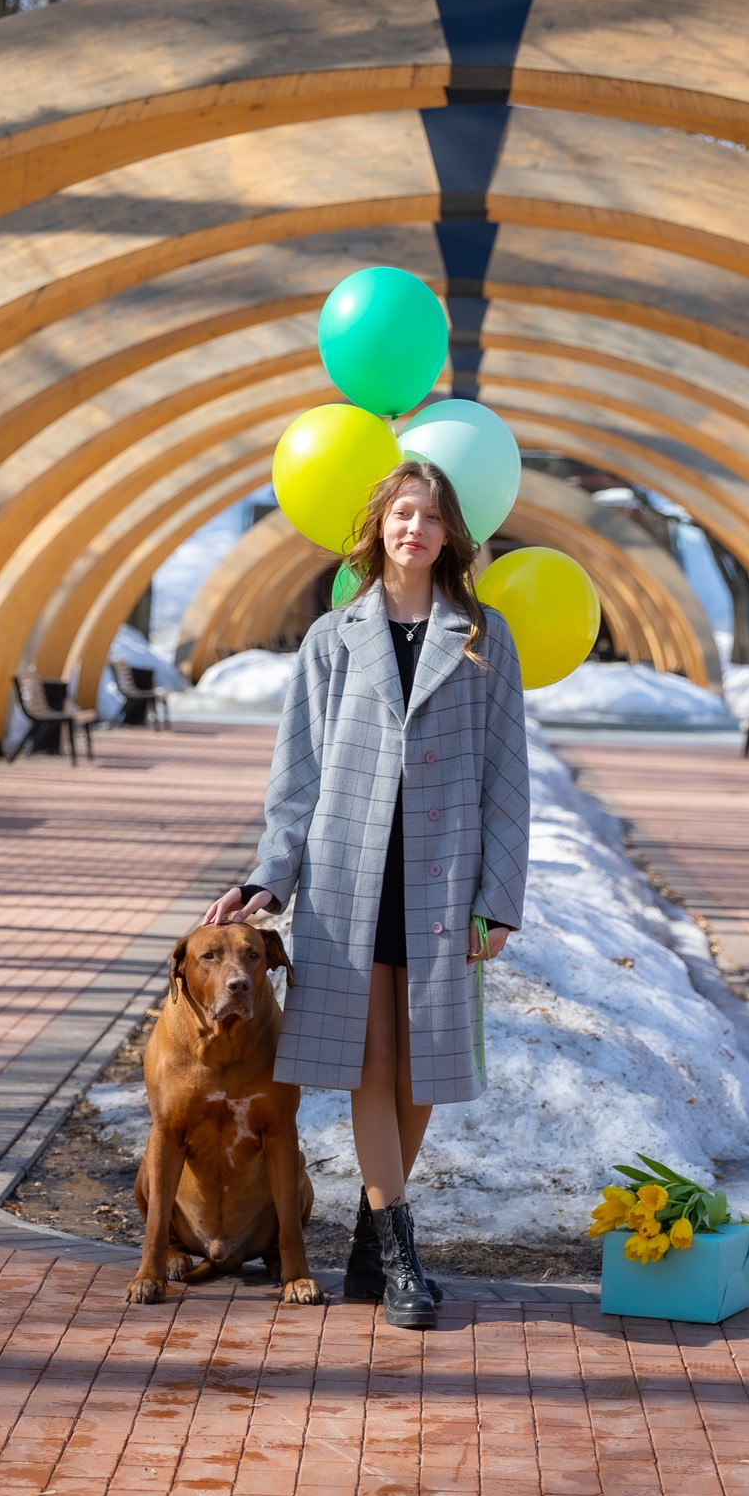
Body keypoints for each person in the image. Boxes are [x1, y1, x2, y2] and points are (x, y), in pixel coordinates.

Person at [201, 459, 530, 1330]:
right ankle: (399, 1255)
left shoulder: (483, 637)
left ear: (452, 535)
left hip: (442, 876)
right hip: (350, 879)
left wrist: (498, 898)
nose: (412, 528)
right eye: (399, 513)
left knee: (423, 1066)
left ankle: (365, 1240)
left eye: (428, 515)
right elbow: (295, 778)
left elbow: (508, 780)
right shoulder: (331, 639)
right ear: (378, 527)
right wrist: (267, 876)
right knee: (374, 1062)